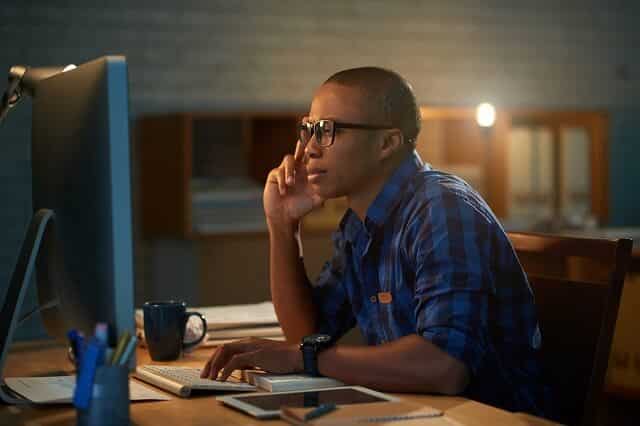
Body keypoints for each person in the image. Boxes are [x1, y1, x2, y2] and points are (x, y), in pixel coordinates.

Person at [201, 67, 548, 416]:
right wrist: (282, 225)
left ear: (386, 143)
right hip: (416, 413)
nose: (308, 149)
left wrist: (302, 356)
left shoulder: (441, 208)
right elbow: (306, 335)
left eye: (327, 131)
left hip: (485, 417)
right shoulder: (360, 223)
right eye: (308, 129)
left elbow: (445, 366)